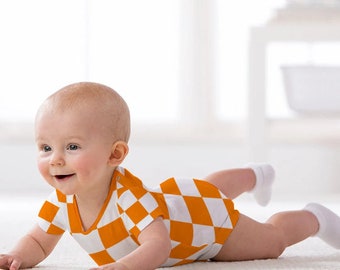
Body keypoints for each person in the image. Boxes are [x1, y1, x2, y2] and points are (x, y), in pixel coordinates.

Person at [1, 82, 340, 270]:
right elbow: (38, 240)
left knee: (271, 242)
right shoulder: (63, 199)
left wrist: (121, 268)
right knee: (209, 190)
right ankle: (254, 176)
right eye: (45, 148)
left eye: (72, 146)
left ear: (115, 155)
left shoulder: (127, 198)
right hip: (181, 200)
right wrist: (17, 255)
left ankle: (314, 218)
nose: (55, 160)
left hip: (206, 228)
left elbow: (158, 246)